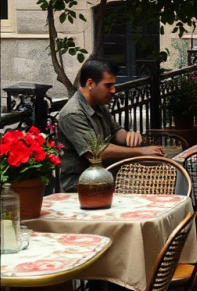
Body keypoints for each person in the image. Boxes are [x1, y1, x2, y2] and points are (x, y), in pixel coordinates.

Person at [57, 58, 163, 193]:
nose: (113, 90)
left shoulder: (99, 105)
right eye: (108, 85)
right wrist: (141, 152)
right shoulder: (72, 113)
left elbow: (116, 131)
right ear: (90, 83)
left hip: (108, 180)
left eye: (114, 85)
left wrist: (129, 136)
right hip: (81, 188)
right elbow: (95, 152)